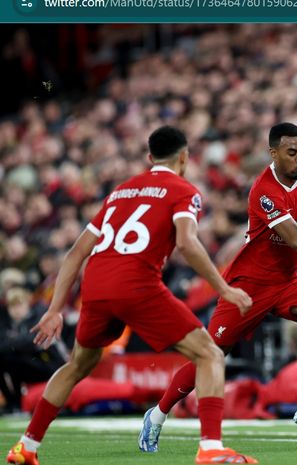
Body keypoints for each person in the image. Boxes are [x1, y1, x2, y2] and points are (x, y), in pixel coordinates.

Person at [6, 126, 258, 465]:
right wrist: (224, 287)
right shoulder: (184, 190)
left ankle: (26, 446)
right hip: (137, 284)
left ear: (150, 158)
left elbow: (74, 255)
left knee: (78, 365)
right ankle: (211, 449)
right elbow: (186, 242)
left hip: (95, 287)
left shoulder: (120, 192)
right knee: (209, 354)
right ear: (184, 157)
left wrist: (54, 309)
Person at [138, 123, 297, 452]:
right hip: (248, 288)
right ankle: (158, 414)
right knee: (212, 354)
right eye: (292, 152)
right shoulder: (264, 190)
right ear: (274, 153)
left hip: (286, 283)